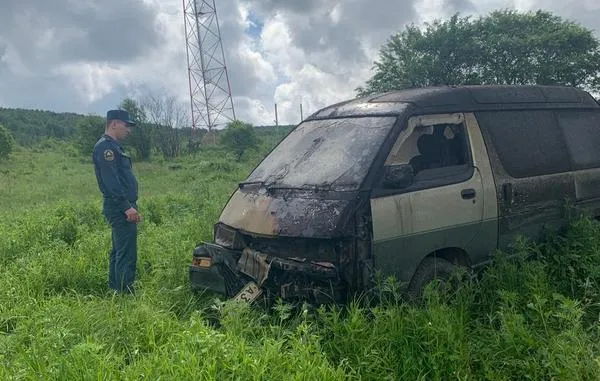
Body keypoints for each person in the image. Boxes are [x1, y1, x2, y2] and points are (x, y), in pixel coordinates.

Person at [92, 109, 141, 294]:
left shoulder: (113, 147)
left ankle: (115, 289)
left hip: (123, 205)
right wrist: (127, 207)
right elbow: (111, 181)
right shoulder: (106, 148)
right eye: (126, 125)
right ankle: (125, 294)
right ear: (114, 124)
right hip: (120, 207)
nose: (129, 130)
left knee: (119, 250)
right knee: (126, 252)